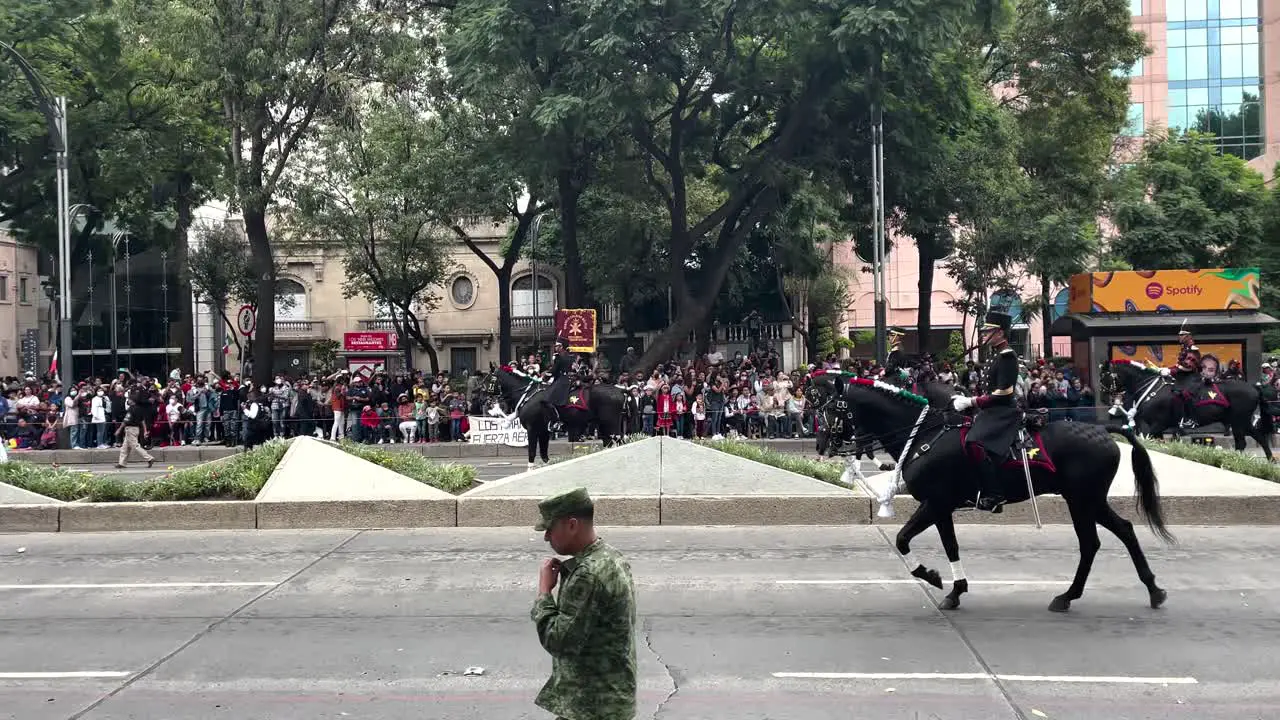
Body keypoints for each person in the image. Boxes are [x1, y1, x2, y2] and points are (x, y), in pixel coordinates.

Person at [531, 488, 637, 720]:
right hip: (610, 699)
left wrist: (544, 593)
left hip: (592, 707)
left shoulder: (586, 574)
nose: (546, 537)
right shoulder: (611, 555)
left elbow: (559, 640)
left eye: (549, 529)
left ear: (571, 525)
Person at [950, 310, 1021, 513]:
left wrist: (971, 401)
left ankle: (995, 494)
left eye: (987, 331)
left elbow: (1004, 393)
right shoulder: (995, 355)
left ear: (999, 333)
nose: (982, 334)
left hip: (1002, 411)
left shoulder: (1007, 356)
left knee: (974, 443)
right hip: (990, 410)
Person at [1174, 325, 1202, 429]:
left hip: (1192, 377)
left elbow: (1188, 366)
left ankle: (1193, 419)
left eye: (1182, 335)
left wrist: (1173, 369)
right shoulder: (1184, 349)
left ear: (1189, 336)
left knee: (1186, 394)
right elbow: (1180, 364)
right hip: (1182, 378)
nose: (1179, 337)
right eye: (1179, 335)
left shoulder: (1193, 349)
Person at [114, 405, 155, 469]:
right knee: (125, 448)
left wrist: (119, 429)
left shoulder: (131, 409)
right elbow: (142, 421)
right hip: (136, 429)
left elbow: (125, 421)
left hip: (130, 429)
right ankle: (122, 463)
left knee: (135, 446)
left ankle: (149, 458)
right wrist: (145, 430)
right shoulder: (139, 409)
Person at [545, 337, 577, 417]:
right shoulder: (572, 356)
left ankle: (557, 417)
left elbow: (554, 370)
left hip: (563, 379)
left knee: (549, 397)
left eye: (557, 346)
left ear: (561, 347)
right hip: (573, 378)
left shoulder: (558, 357)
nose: (555, 348)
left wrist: (545, 376)